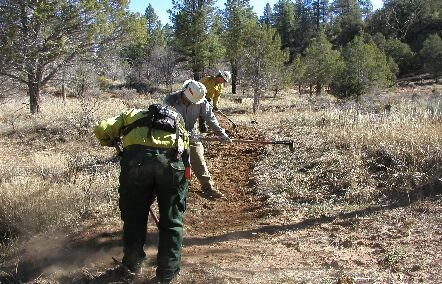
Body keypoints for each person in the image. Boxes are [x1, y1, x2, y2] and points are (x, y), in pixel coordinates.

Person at [94, 104, 190, 283]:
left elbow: (100, 129)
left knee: (134, 218)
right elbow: (186, 149)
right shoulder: (178, 120)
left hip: (136, 165)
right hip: (172, 166)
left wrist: (108, 140)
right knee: (172, 221)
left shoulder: (131, 114)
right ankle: (167, 274)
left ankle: (132, 265)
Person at [164, 79, 231, 200]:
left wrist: (221, 134)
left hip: (191, 133)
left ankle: (207, 186)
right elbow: (165, 121)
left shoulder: (202, 101)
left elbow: (210, 118)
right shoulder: (170, 100)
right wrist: (179, 134)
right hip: (172, 134)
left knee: (198, 156)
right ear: (184, 91)